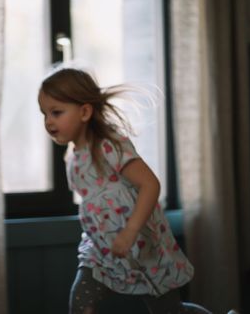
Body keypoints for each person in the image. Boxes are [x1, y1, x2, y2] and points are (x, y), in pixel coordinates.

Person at [38, 66, 195, 314]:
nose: (48, 121)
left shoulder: (108, 146)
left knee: (169, 311)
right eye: (44, 114)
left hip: (141, 248)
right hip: (100, 253)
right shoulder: (73, 159)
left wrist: (130, 231)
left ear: (85, 111)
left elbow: (150, 185)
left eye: (56, 112)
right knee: (80, 303)